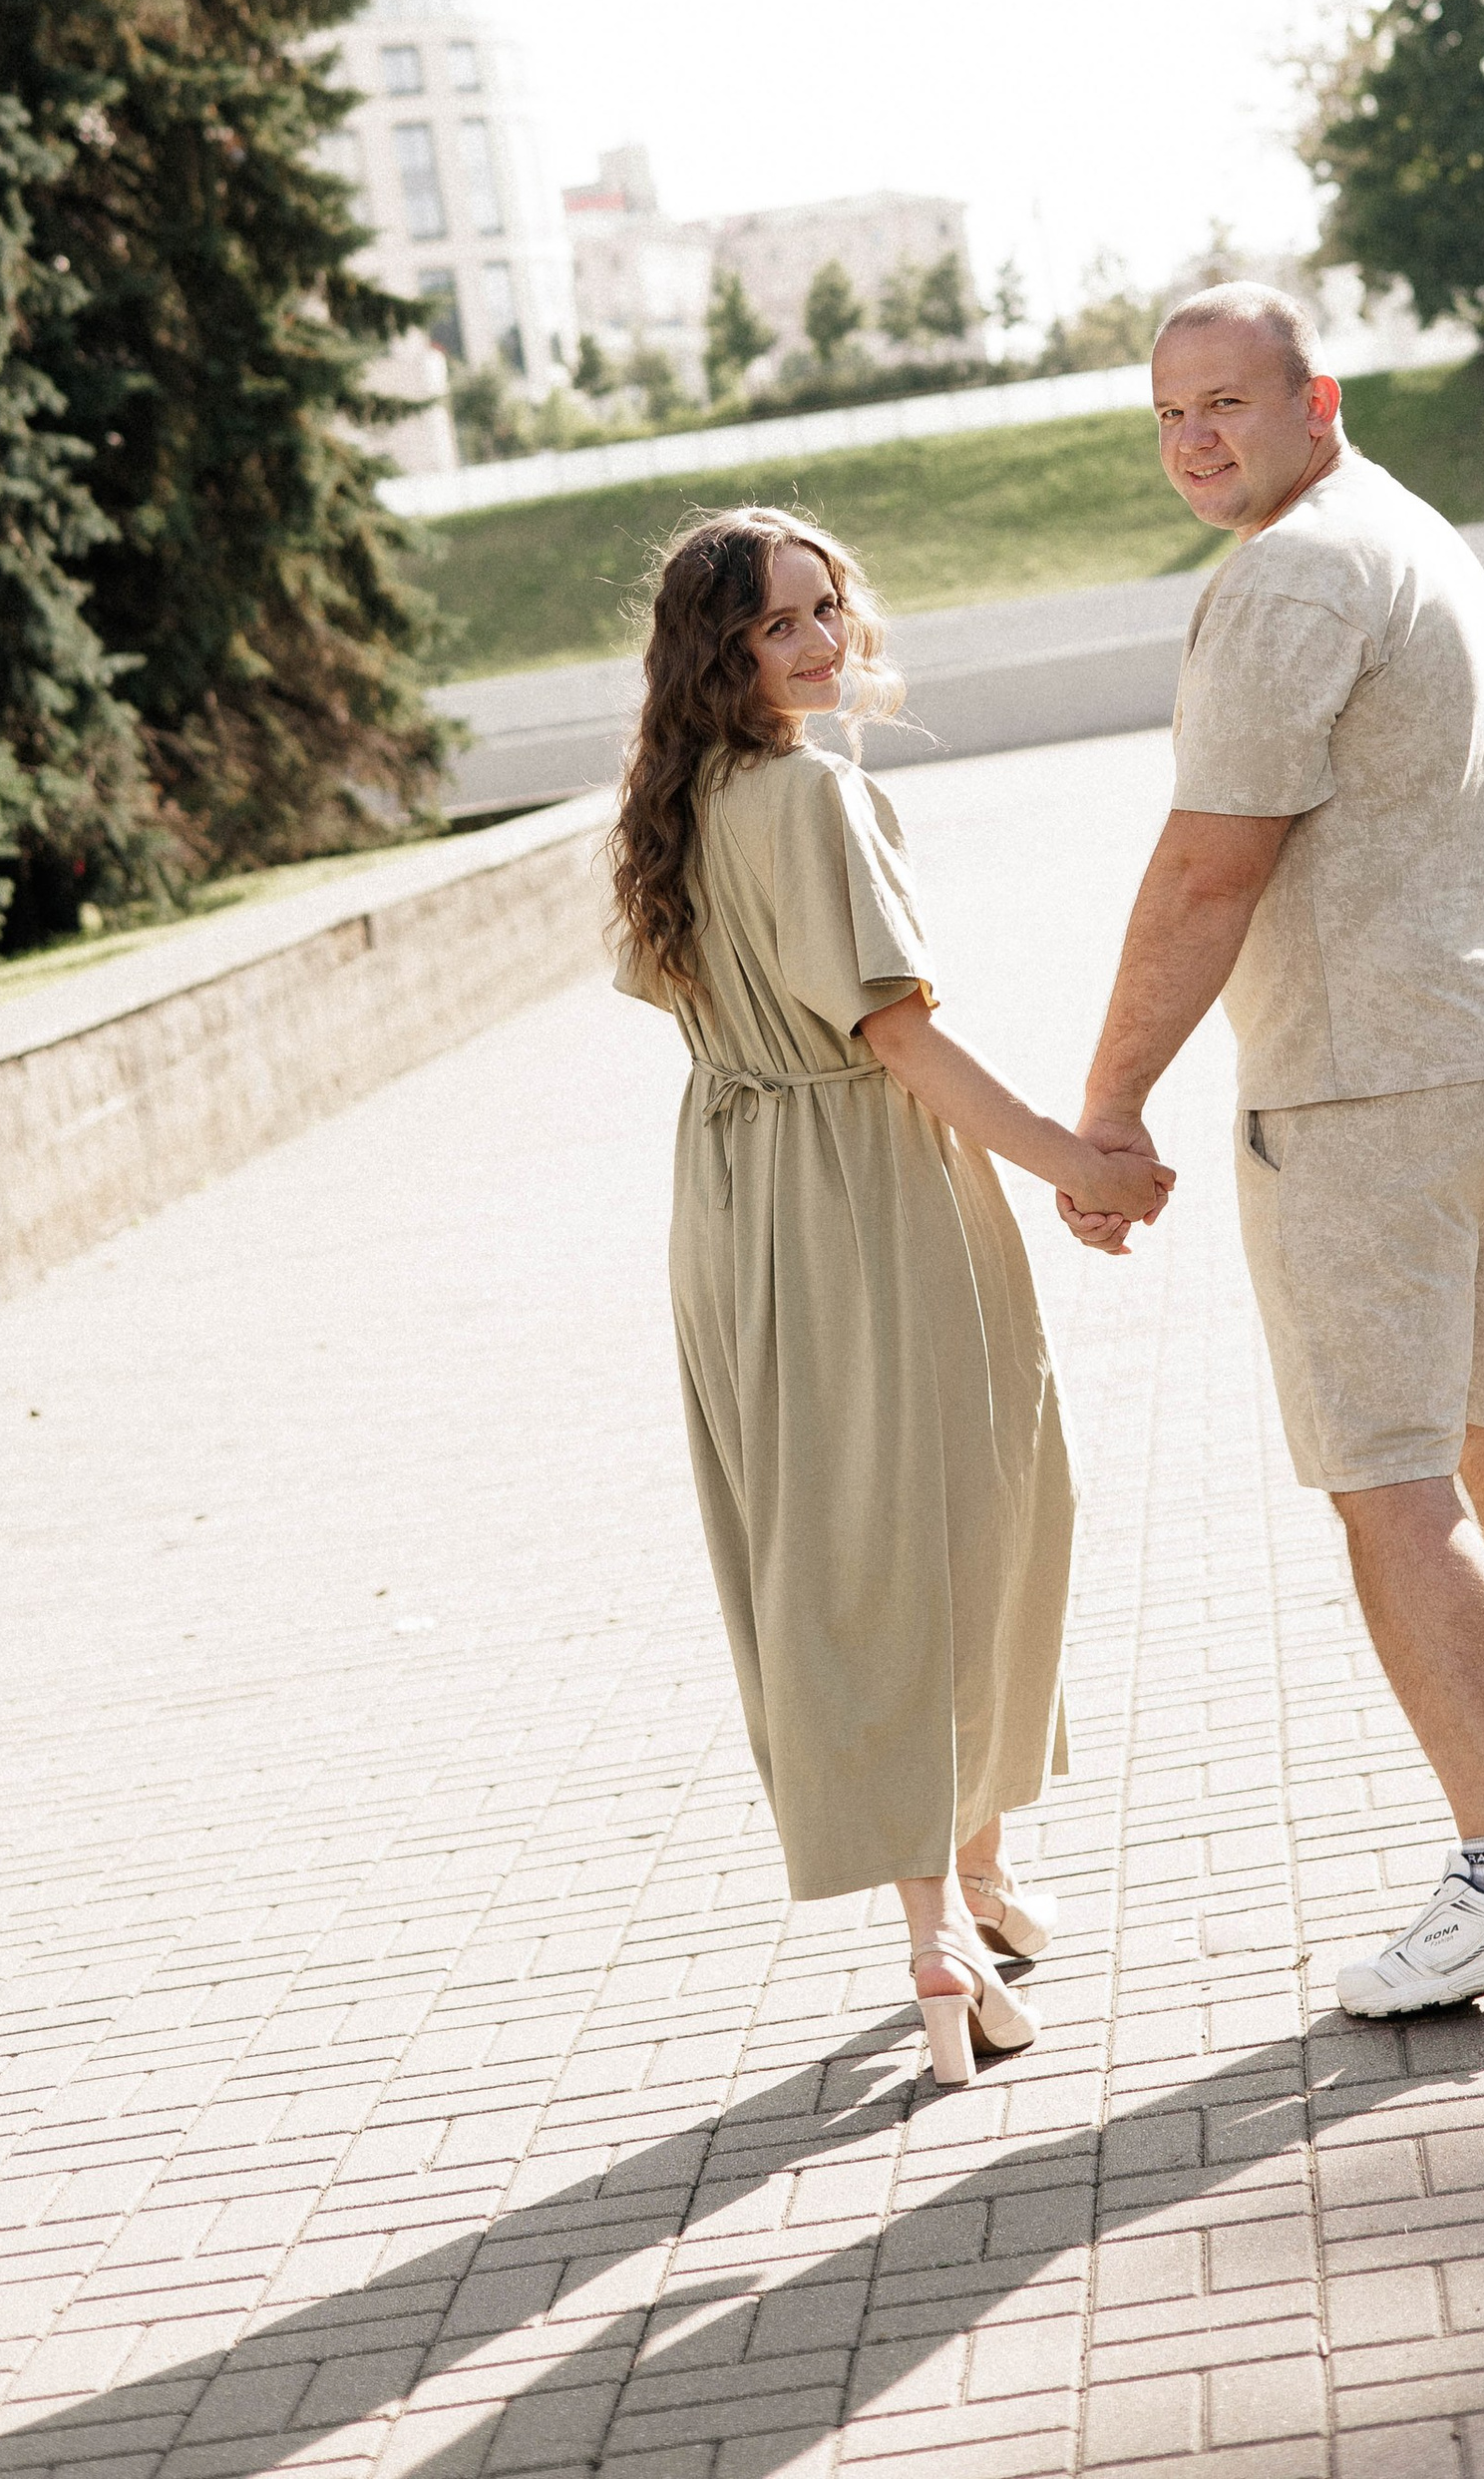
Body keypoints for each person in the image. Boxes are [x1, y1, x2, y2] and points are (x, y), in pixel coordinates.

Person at [1062, 285, 1484, 2014]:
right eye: (1169, 413)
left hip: (1372, 1088)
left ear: (1313, 395)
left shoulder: (1285, 576)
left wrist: (1109, 1105)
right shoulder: (1404, 525)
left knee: (1388, 1481)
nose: (1195, 439)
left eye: (1227, 405)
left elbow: (1209, 867)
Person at [612, 504, 1171, 2086]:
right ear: (718, 656)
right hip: (871, 1187)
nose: (816, 644)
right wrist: (1083, 1160)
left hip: (737, 1201)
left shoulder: (675, 807)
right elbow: (898, 1043)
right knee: (949, 1522)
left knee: (857, 1534)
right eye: (778, 625)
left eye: (825, 609)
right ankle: (936, 1927)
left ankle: (971, 1882)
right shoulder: (814, 794)